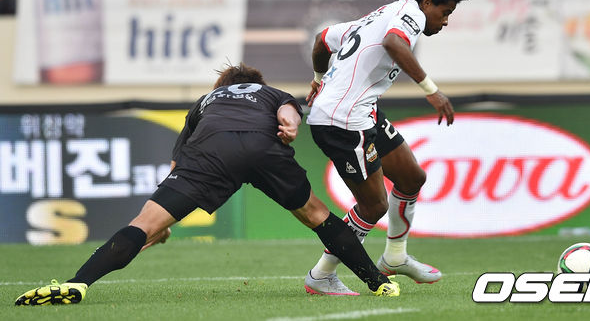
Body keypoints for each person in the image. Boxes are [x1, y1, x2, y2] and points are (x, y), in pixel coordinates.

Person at [15, 64, 399, 306]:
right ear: (255, 84)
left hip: (211, 152)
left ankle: (77, 283)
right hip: (263, 148)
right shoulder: (269, 93)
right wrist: (290, 125)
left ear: (222, 86)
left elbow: (178, 164)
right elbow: (288, 110)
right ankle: (378, 283)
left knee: (142, 225)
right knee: (318, 216)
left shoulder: (205, 101)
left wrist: (163, 222)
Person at [303, 0, 469, 295]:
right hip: (343, 121)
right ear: (426, 2)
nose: (445, 21)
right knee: (374, 206)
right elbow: (394, 43)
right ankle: (321, 276)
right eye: (445, 12)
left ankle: (395, 256)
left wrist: (319, 79)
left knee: (411, 177)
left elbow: (323, 40)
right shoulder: (411, 15)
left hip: (365, 112)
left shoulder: (381, 14)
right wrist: (432, 91)